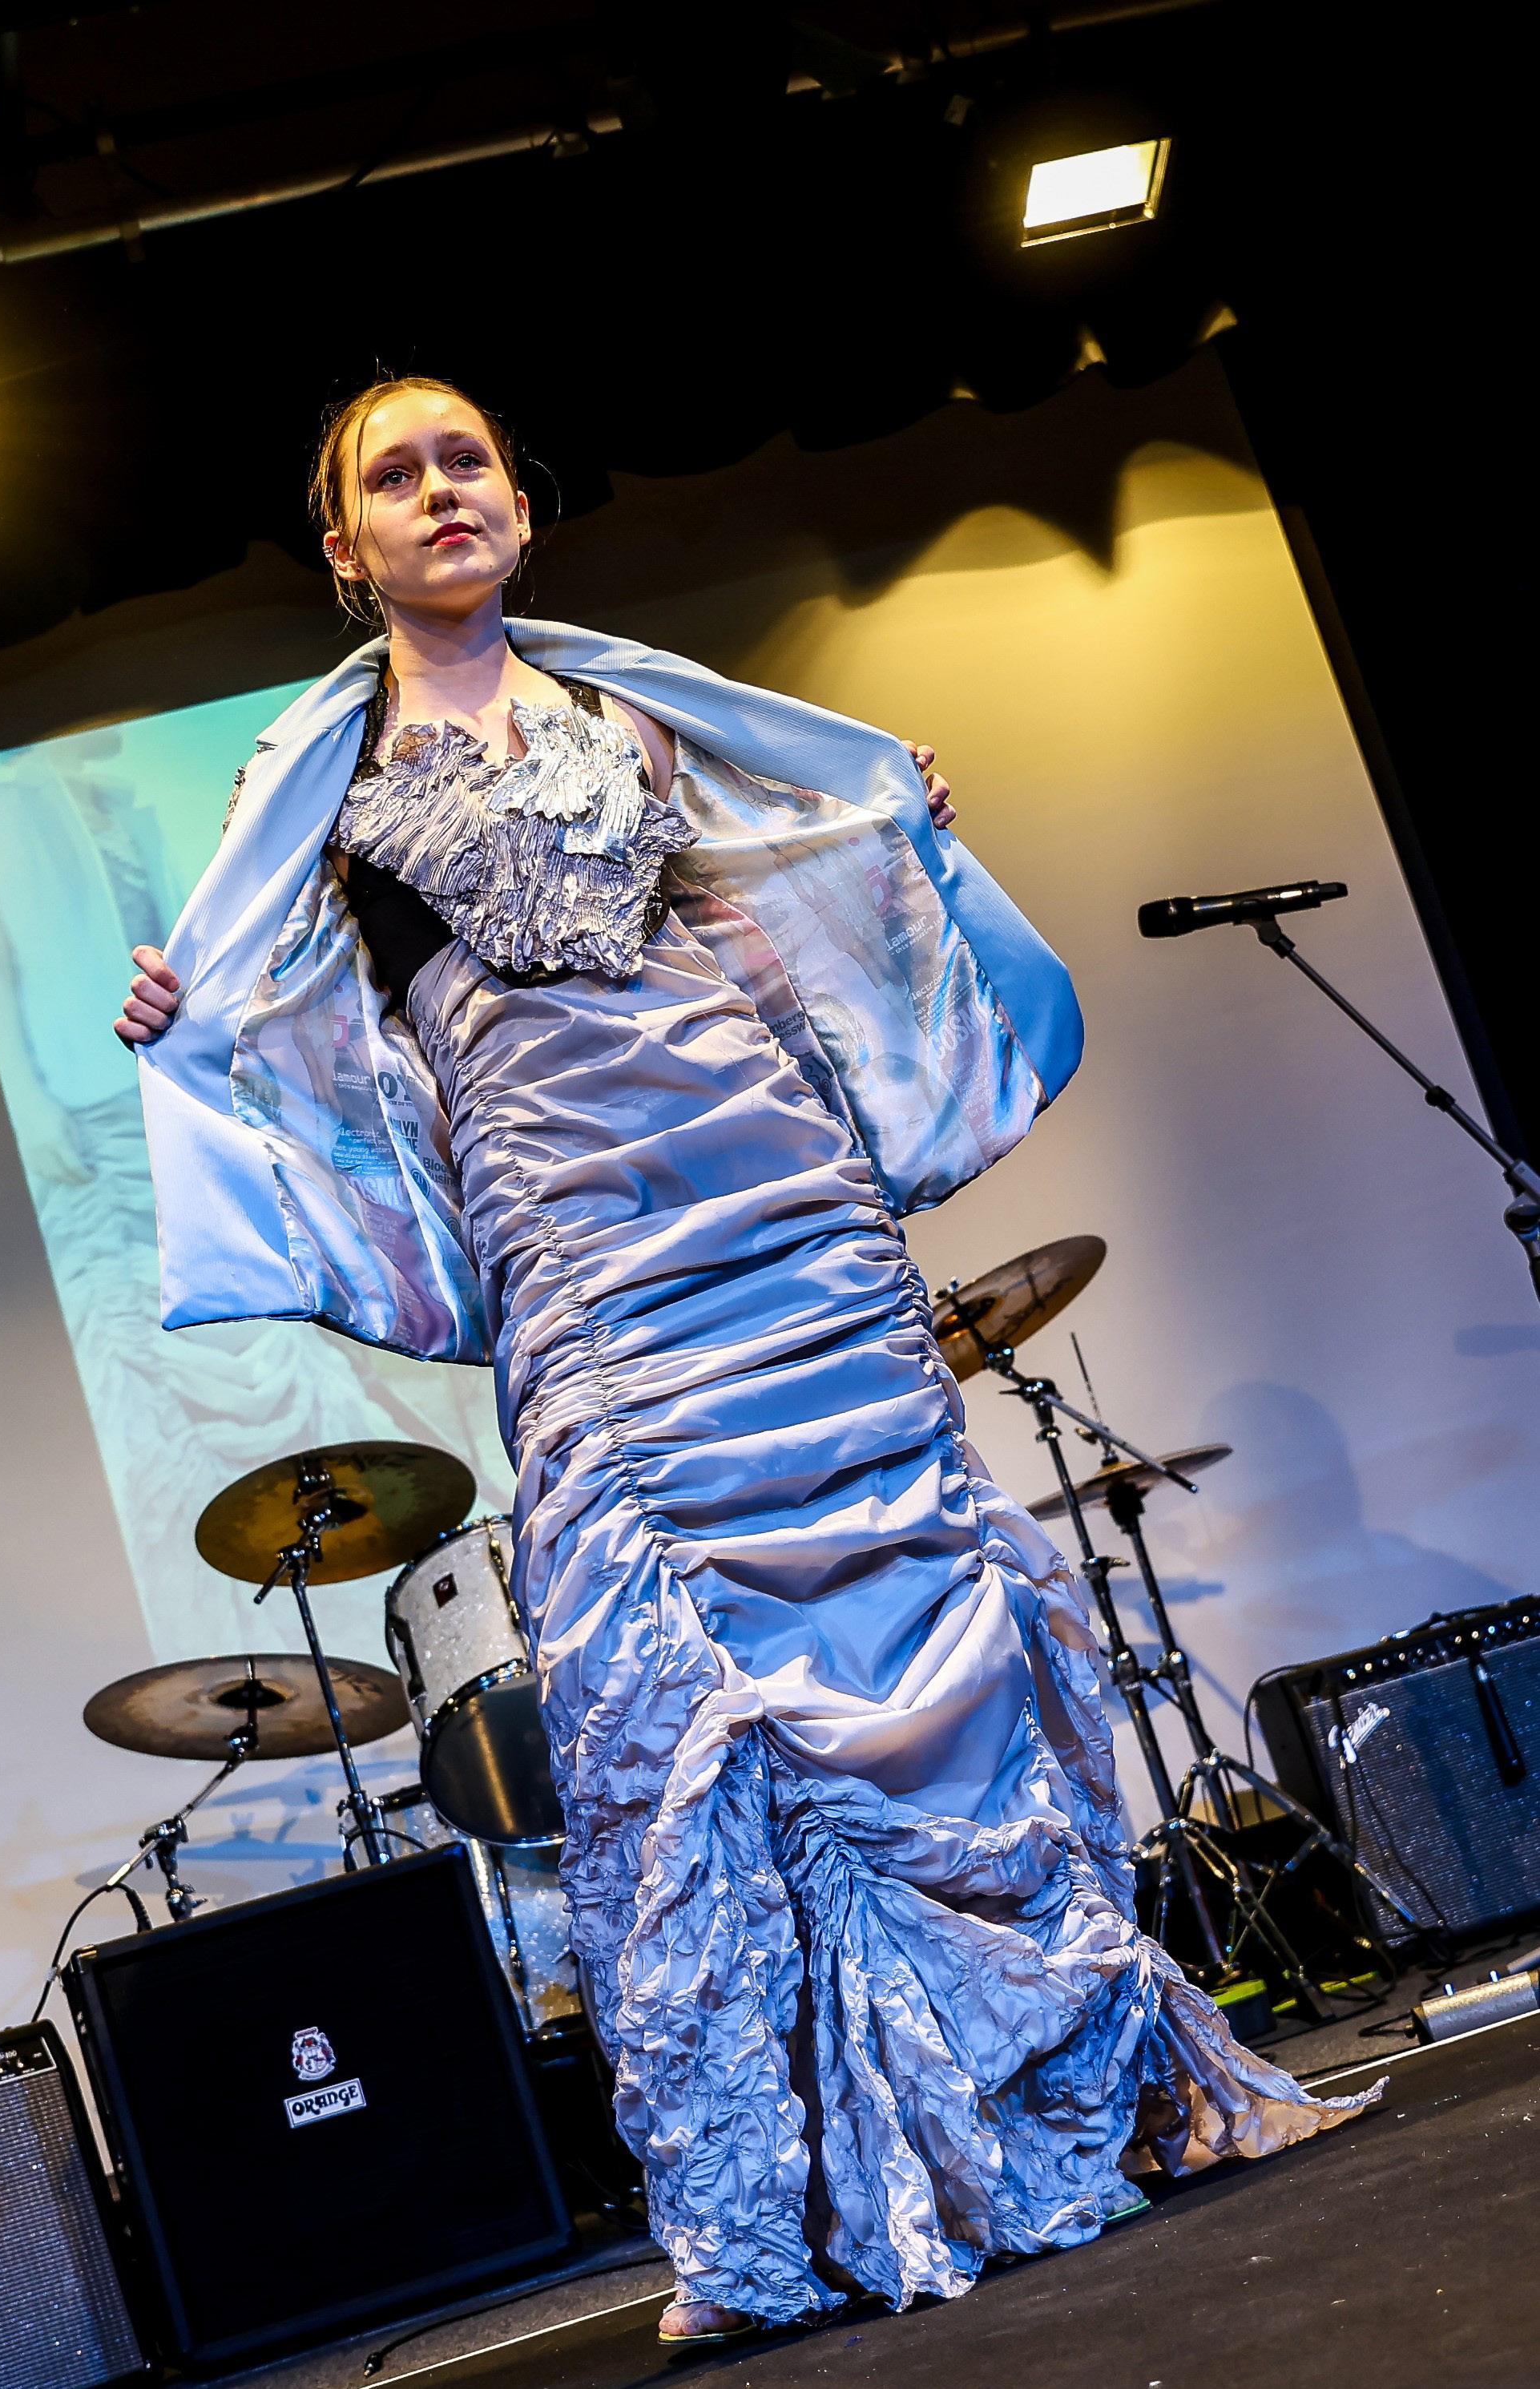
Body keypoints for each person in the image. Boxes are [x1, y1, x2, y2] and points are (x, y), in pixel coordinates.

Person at [117, 377, 1377, 2343]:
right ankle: (773, 2203)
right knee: (677, 1697)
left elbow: (769, 931)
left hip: (790, 1219)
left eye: (468, 461)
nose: (442, 491)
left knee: (927, 1627)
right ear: (344, 549)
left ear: (520, 506)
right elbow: (279, 1019)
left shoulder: (636, 715)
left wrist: (881, 831)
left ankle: (1077, 2084)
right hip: (594, 1270)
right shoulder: (312, 783)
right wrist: (177, 1010)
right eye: (395, 476)